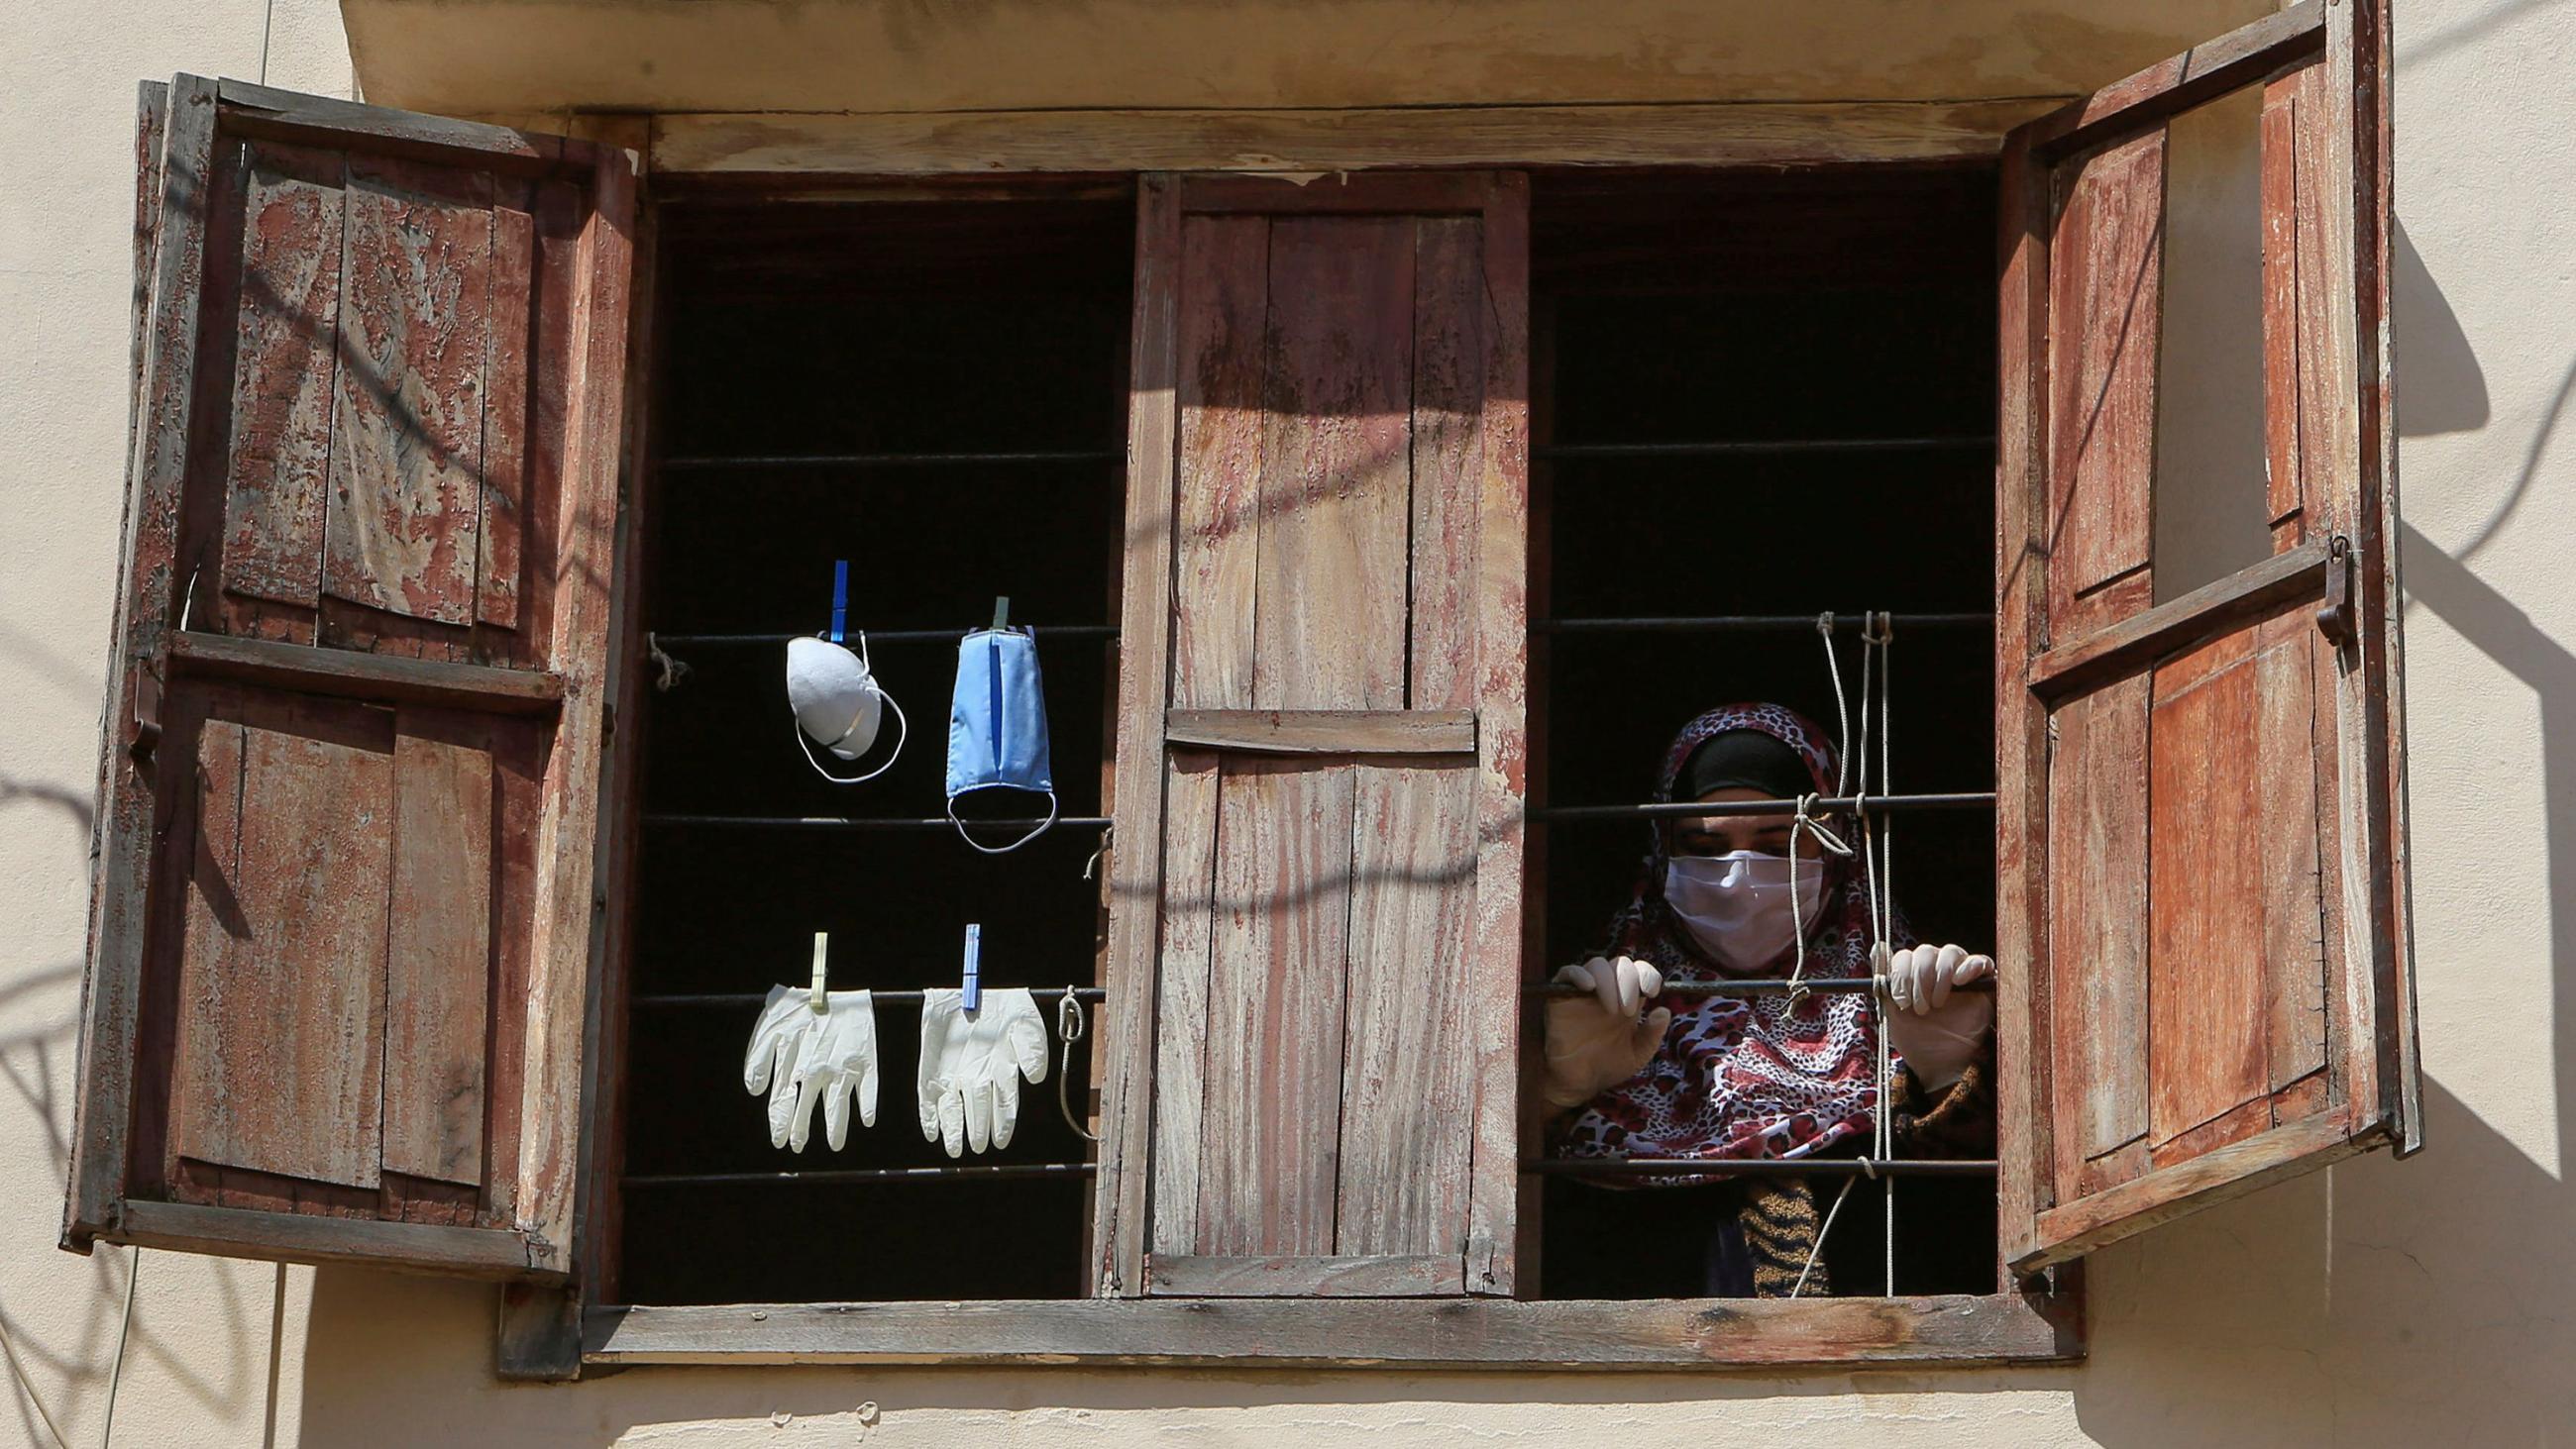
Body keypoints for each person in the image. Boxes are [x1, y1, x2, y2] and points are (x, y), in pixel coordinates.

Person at [1542, 702, 1996, 1297]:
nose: (1738, 874)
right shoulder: (1598, 1014)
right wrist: (1553, 1094)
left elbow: (1980, 1231)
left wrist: (1949, 1078)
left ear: (1835, 849)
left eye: (1777, 841)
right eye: (1704, 846)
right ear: (1661, 850)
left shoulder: (1913, 1003)